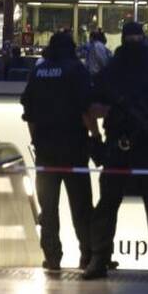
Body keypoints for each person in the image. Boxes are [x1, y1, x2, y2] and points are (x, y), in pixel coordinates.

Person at [83, 21, 148, 281]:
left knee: (135, 205)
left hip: (133, 143)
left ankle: (101, 260)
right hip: (129, 143)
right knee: (141, 206)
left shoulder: (117, 69)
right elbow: (91, 108)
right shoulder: (138, 68)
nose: (134, 43)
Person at [20, 31, 94, 271]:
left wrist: (36, 140)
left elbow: (28, 112)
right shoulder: (77, 70)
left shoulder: (38, 71)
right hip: (74, 148)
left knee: (48, 208)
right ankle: (87, 255)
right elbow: (86, 109)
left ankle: (52, 257)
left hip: (45, 150)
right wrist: (95, 137)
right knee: (81, 206)